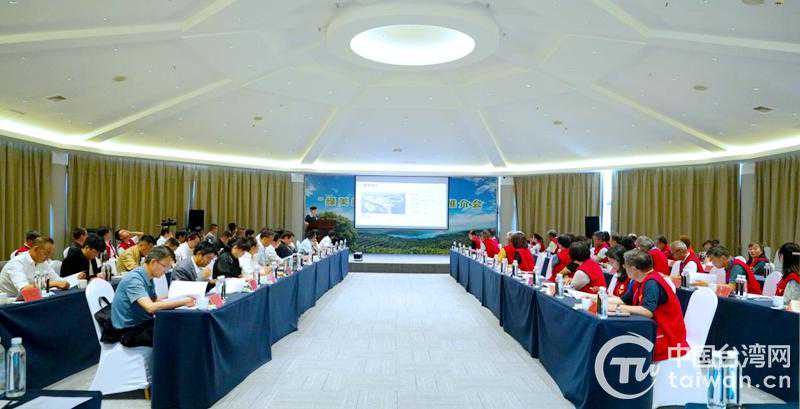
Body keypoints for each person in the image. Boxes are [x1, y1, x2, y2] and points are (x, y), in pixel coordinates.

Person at [609, 249, 688, 362]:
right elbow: (623, 300)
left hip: (668, 337)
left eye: (625, 266)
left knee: (622, 341)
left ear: (634, 269)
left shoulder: (652, 283)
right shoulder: (639, 280)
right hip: (652, 328)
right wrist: (600, 300)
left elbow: (647, 311)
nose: (624, 268)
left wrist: (617, 308)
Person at [110, 246, 195, 347]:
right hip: (129, 330)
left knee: (181, 325)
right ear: (154, 262)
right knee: (178, 334)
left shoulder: (148, 276)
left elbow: (156, 301)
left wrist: (179, 300)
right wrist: (183, 302)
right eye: (165, 266)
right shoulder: (134, 279)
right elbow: (150, 307)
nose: (166, 271)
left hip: (142, 324)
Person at [0, 237, 71, 297]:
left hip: (31, 298)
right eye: (46, 253)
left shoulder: (42, 262)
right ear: (35, 249)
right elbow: (26, 290)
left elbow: (58, 280)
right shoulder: (17, 262)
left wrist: (64, 283)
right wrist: (51, 284)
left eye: (50, 254)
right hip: (9, 301)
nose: (48, 257)